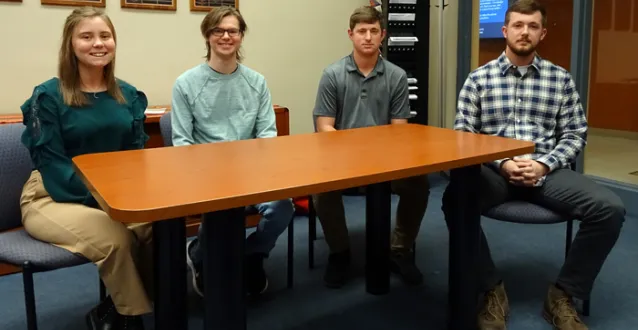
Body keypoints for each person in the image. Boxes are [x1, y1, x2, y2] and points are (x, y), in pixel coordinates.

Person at [444, 1, 625, 329]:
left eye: (531, 26)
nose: (524, 32)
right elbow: (463, 137)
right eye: (517, 25)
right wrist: (502, 162)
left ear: (542, 33)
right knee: (454, 199)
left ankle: (563, 294)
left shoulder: (561, 80)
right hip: (495, 173)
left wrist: (544, 164)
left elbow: (575, 134)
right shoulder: (478, 80)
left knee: (609, 208)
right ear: (505, 31)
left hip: (549, 173)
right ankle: (490, 289)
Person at [19, 7, 153, 330]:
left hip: (114, 195)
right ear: (71, 44)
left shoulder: (129, 95)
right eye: (87, 36)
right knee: (116, 238)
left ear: (114, 42)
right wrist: (109, 203)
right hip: (52, 196)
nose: (98, 44)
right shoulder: (48, 96)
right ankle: (130, 319)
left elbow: (136, 157)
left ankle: (114, 308)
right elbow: (51, 164)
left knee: (158, 226)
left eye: (105, 36)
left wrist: (127, 199)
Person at [171, 6, 294, 297]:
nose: (226, 36)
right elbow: (182, 144)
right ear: (208, 35)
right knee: (220, 211)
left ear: (241, 36)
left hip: (252, 172)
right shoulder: (186, 84)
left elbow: (267, 135)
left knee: (282, 208)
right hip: (207, 176)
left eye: (233, 31)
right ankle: (201, 256)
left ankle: (253, 255)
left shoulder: (257, 82)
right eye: (218, 30)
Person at [311, 5, 430, 289]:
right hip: (342, 158)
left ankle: (399, 250)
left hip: (387, 158)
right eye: (361, 31)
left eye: (373, 31)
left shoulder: (397, 76)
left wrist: (380, 157)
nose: (367, 37)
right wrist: (350, 155)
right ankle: (340, 252)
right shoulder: (332, 74)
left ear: (383, 35)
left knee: (418, 185)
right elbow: (324, 127)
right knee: (321, 189)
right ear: (351, 34)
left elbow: (399, 129)